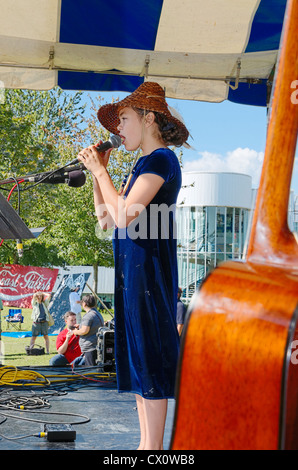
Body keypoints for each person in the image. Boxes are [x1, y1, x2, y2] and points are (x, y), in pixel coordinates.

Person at [77, 81, 190, 450]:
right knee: (140, 363)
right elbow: (104, 217)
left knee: (151, 361)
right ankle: (146, 445)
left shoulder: (161, 160)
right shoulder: (140, 164)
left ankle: (153, 448)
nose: (117, 129)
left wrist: (99, 173)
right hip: (132, 278)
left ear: (149, 117)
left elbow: (125, 215)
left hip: (148, 277)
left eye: (123, 119)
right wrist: (100, 176)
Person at [72, 294, 104, 366]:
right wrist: (80, 326)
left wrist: (75, 331)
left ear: (84, 303)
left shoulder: (89, 315)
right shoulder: (97, 313)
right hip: (95, 346)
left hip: (90, 347)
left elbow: (84, 331)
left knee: (90, 370)